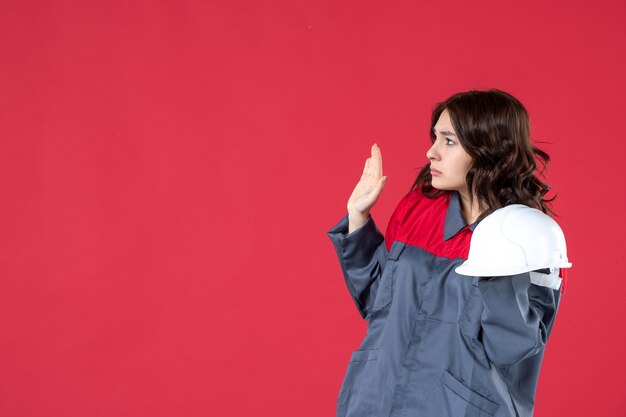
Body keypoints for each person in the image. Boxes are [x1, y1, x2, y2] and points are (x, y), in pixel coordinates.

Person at [326, 89, 569, 417]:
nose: (431, 152)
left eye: (449, 141)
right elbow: (379, 304)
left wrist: (498, 268)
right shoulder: (417, 208)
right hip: (375, 400)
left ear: (488, 149)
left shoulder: (528, 239)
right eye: (435, 138)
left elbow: (511, 351)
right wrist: (358, 220)